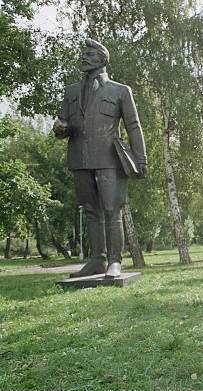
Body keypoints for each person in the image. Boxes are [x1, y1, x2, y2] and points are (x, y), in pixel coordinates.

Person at [53, 39, 147, 278]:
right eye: (84, 54)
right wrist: (61, 128)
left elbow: (133, 126)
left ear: (103, 59)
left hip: (109, 158)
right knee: (90, 210)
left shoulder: (120, 91)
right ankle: (98, 260)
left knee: (111, 209)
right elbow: (63, 122)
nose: (84, 58)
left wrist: (141, 159)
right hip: (80, 157)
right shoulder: (71, 91)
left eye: (90, 54)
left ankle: (115, 261)